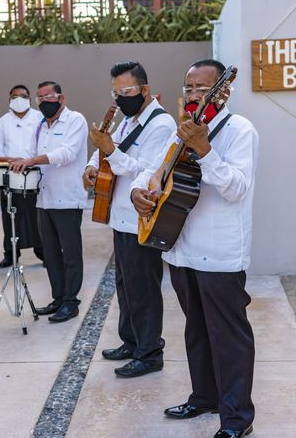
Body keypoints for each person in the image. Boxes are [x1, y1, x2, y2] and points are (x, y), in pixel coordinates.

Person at [130, 59, 258, 438]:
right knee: (196, 330)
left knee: (229, 336)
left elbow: (236, 188)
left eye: (203, 89)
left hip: (220, 252)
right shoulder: (180, 132)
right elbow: (153, 170)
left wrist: (205, 150)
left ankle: (237, 419)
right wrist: (140, 190)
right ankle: (204, 397)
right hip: (179, 246)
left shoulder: (240, 131)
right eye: (189, 89)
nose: (194, 96)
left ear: (224, 91)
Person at [83, 62, 176, 378]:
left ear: (145, 90)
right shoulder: (126, 120)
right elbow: (108, 152)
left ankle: (150, 353)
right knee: (124, 284)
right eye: (116, 92)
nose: (120, 99)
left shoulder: (161, 125)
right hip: (119, 218)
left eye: (126, 92)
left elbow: (145, 171)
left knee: (144, 288)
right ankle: (131, 340)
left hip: (140, 219)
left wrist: (108, 150)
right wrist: (92, 165)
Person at [10, 81, 88, 323]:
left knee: (70, 254)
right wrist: (15, 161)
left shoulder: (75, 120)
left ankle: (71, 302)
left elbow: (68, 153)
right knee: (51, 254)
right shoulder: (40, 125)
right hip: (44, 199)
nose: (43, 101)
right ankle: (58, 298)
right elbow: (30, 154)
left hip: (68, 198)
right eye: (39, 98)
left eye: (49, 96)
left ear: (61, 98)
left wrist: (32, 160)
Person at [0, 84, 44, 269]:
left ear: (30, 98)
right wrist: (14, 161)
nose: (19, 99)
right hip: (11, 176)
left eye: (23, 96)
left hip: (35, 175)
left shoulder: (40, 118)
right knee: (11, 215)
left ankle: (42, 251)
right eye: (14, 96)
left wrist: (29, 161)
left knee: (37, 214)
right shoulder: (2, 122)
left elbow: (44, 146)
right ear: (9, 99)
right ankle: (11, 253)